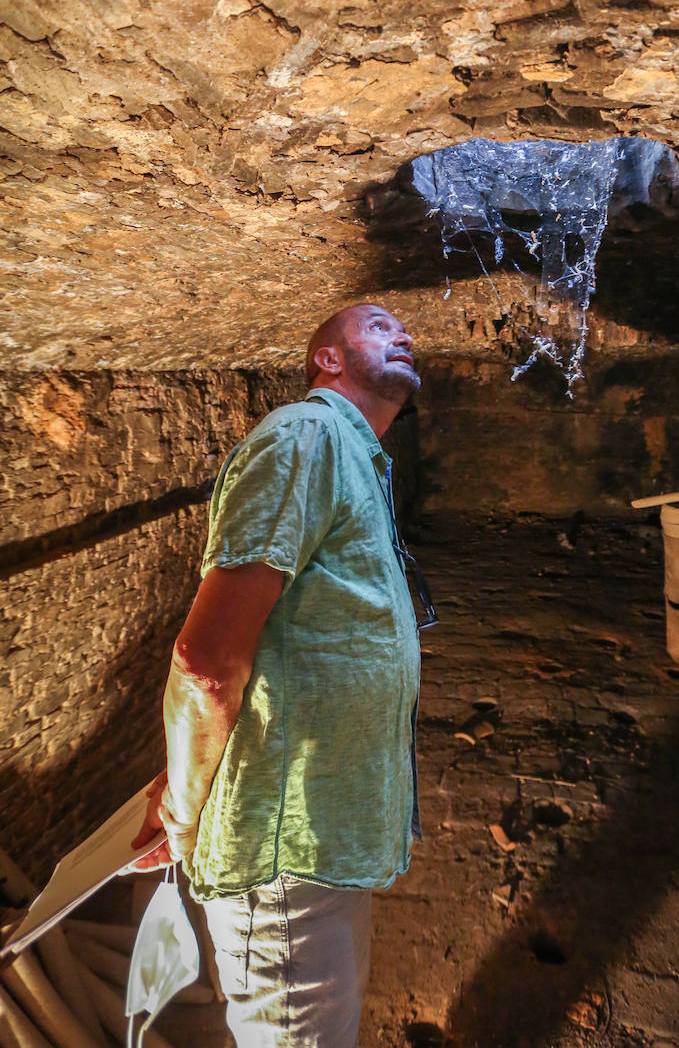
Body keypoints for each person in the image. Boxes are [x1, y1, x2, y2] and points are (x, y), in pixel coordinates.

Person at [131, 302, 425, 1047]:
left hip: (325, 840)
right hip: (281, 853)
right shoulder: (306, 434)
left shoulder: (352, 456)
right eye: (379, 325)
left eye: (404, 330)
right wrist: (188, 809)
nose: (404, 335)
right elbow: (205, 663)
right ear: (326, 359)